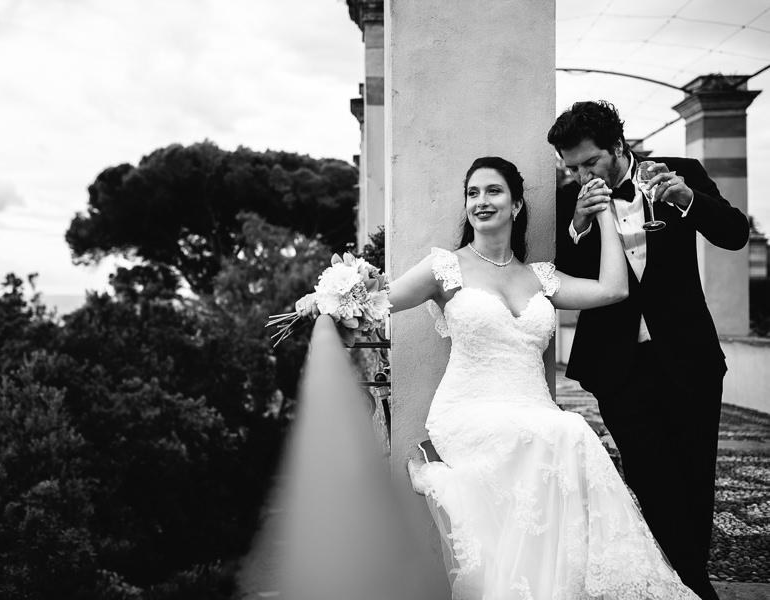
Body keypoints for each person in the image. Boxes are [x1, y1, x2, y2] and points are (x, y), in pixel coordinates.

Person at [295, 156, 699, 599]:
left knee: (566, 431)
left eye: (493, 191)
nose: (481, 202)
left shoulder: (541, 276)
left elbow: (612, 290)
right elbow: (382, 301)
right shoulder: (444, 268)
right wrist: (328, 300)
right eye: (473, 193)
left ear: (517, 204)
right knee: (565, 431)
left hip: (533, 411)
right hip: (468, 412)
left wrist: (603, 213)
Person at [548, 100, 750, 600]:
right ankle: (685, 584)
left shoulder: (681, 174)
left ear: (618, 146)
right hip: (618, 367)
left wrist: (687, 200)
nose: (580, 174)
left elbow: (733, 234)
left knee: (694, 476)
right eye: (571, 167)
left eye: (589, 162)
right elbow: (559, 273)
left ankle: (689, 584)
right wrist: (578, 224)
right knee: (650, 477)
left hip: (689, 358)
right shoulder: (567, 200)